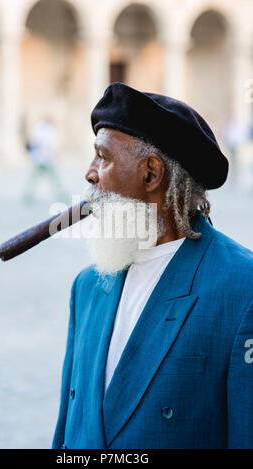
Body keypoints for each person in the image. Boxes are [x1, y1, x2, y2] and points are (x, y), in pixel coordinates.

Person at [52, 83, 253, 449]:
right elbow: (69, 432)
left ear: (151, 174)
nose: (90, 173)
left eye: (103, 157)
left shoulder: (243, 288)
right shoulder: (87, 287)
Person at [23, 116, 68, 204]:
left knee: (37, 179)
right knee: (53, 179)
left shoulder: (39, 129)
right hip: (44, 158)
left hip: (41, 158)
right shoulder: (45, 130)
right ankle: (61, 195)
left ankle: (28, 197)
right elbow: (49, 144)